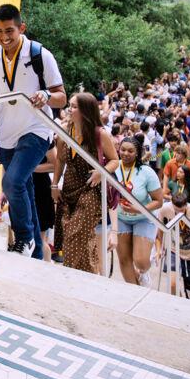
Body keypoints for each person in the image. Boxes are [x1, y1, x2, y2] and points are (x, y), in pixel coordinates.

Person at [0, 4, 67, 258]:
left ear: (22, 28)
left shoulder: (39, 55)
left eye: (9, 30)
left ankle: (23, 238)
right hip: (6, 134)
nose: (4, 37)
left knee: (11, 182)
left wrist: (45, 95)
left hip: (36, 130)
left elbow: (61, 97)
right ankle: (33, 249)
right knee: (25, 191)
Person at [54, 93, 119, 273]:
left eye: (74, 107)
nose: (69, 109)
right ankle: (90, 276)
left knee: (75, 234)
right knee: (77, 237)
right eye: (70, 106)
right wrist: (54, 185)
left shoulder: (100, 134)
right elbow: (59, 159)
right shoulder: (65, 130)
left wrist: (101, 171)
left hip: (91, 189)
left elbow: (114, 160)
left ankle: (69, 275)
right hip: (68, 188)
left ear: (85, 111)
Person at [114, 138, 163, 286]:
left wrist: (138, 209)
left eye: (130, 151)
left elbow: (158, 201)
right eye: (123, 150)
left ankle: (144, 272)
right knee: (124, 259)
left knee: (140, 261)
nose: (126, 153)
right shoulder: (113, 168)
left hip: (143, 217)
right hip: (121, 218)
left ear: (137, 153)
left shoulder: (146, 172)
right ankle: (134, 291)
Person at [156, 192, 190, 300]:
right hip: (174, 251)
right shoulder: (165, 210)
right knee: (172, 284)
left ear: (186, 204)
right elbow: (159, 234)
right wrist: (159, 250)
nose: (179, 214)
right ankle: (180, 303)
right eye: (177, 210)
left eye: (182, 211)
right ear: (172, 204)